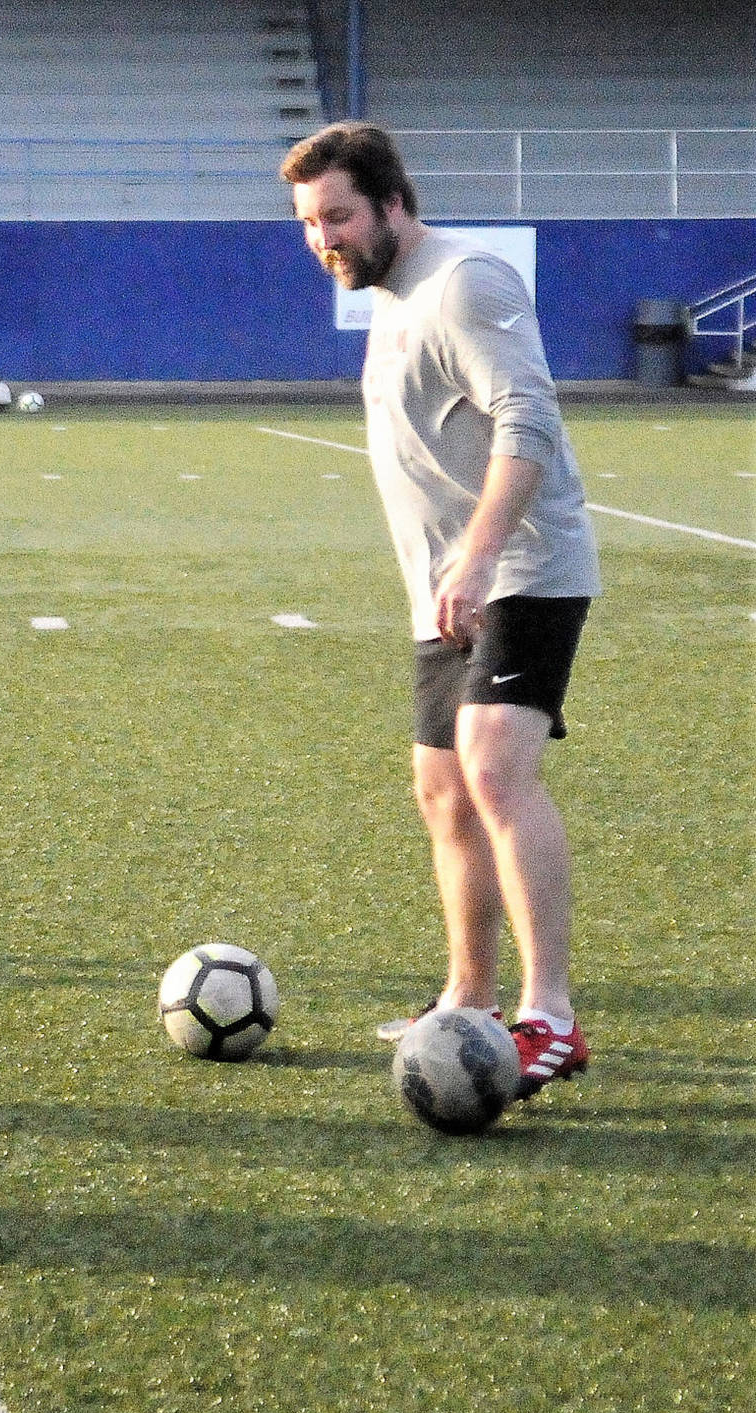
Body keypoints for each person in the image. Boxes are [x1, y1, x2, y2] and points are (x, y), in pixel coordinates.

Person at [282, 122, 601, 1098]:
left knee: (495, 767)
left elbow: (528, 420)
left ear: (389, 201)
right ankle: (466, 994)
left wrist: (477, 552)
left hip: (522, 566)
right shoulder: (389, 297)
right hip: (447, 589)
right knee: (440, 791)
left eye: (335, 214)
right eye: (306, 223)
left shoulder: (466, 279)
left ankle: (547, 1015)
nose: (322, 237)